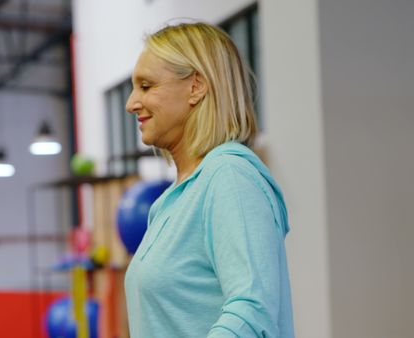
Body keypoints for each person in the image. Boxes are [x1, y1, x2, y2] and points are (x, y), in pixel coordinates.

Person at [123, 22, 294, 337]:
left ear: (196, 86)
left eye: (146, 86)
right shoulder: (168, 204)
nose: (131, 103)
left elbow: (251, 313)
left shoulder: (229, 178)